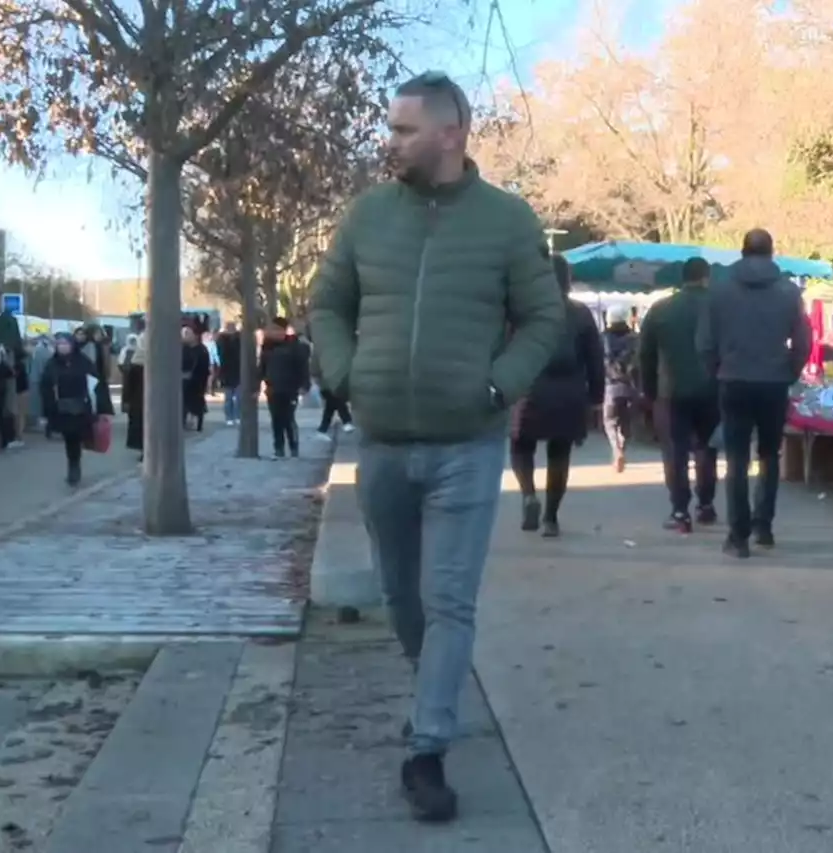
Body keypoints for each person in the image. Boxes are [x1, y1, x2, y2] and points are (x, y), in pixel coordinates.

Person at [307, 71, 563, 824]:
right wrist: (344, 371)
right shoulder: (367, 217)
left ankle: (427, 746)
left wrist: (497, 387)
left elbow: (544, 316)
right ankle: (434, 689)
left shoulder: (508, 221)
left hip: (467, 444)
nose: (390, 142)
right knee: (400, 594)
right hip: (381, 439)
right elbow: (327, 301)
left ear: (450, 134)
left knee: (449, 598)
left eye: (402, 129)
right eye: (390, 128)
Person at [697, 229, 811, 558]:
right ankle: (764, 526)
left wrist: (717, 370)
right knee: (769, 455)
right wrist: (790, 370)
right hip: (774, 382)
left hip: (733, 380)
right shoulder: (789, 293)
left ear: (742, 252)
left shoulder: (719, 292)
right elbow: (802, 341)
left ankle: (738, 535)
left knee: (736, 460)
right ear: (772, 252)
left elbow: (704, 342)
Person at [508, 255, 605, 536]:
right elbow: (595, 359)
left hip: (530, 390)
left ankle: (528, 494)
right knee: (560, 453)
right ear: (568, 281)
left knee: (520, 446)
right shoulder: (581, 314)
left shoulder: (523, 312)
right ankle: (551, 518)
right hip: (570, 392)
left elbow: (505, 350)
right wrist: (596, 397)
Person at [640, 257, 720, 533]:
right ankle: (706, 504)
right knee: (707, 448)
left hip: (671, 391)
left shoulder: (661, 310)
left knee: (675, 452)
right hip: (713, 389)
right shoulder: (719, 308)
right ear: (706, 277)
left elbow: (645, 356)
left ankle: (680, 511)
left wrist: (649, 392)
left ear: (682, 279)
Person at [40, 334, 114, 485]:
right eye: (59, 344)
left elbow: (97, 384)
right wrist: (47, 411)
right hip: (63, 409)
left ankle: (76, 462)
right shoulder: (52, 364)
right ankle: (73, 466)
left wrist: (102, 408)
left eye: (65, 343)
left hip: (82, 407)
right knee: (71, 438)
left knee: (80, 436)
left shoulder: (83, 362)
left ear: (72, 345)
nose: (62, 346)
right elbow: (45, 387)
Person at [258, 318, 310, 458]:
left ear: (283, 330)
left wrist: (304, 385)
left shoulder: (294, 345)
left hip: (290, 388)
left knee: (288, 418)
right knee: (276, 419)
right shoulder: (267, 347)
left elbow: (303, 367)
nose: (272, 332)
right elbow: (262, 368)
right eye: (271, 329)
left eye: (276, 329)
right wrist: (256, 387)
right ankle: (278, 448)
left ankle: (294, 447)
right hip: (273, 388)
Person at [600, 304, 638, 472]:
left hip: (610, 387)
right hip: (630, 387)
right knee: (627, 423)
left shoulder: (602, 339)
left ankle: (616, 450)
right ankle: (622, 447)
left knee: (610, 422)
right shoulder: (635, 339)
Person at [311, 345, 355, 439]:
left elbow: (314, 369)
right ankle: (346, 421)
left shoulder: (320, 350)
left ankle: (323, 430)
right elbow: (314, 369)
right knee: (337, 401)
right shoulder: (334, 349)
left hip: (328, 382)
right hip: (329, 383)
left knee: (331, 406)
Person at [181, 325, 211, 431]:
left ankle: (198, 423)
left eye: (188, 334)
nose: (185, 336)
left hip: (197, 381)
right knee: (183, 403)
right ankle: (183, 422)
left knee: (197, 403)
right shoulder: (181, 348)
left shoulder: (201, 349)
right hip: (183, 381)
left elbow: (204, 365)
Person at [122, 331, 145, 460]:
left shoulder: (160, 360)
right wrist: (127, 400)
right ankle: (144, 450)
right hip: (139, 400)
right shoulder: (136, 360)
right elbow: (129, 383)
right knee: (141, 425)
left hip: (152, 400)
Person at [215, 322, 242, 426]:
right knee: (229, 398)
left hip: (236, 371)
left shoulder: (238, 339)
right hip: (227, 371)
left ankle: (237, 416)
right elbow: (221, 352)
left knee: (238, 398)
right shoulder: (222, 340)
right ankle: (230, 417)